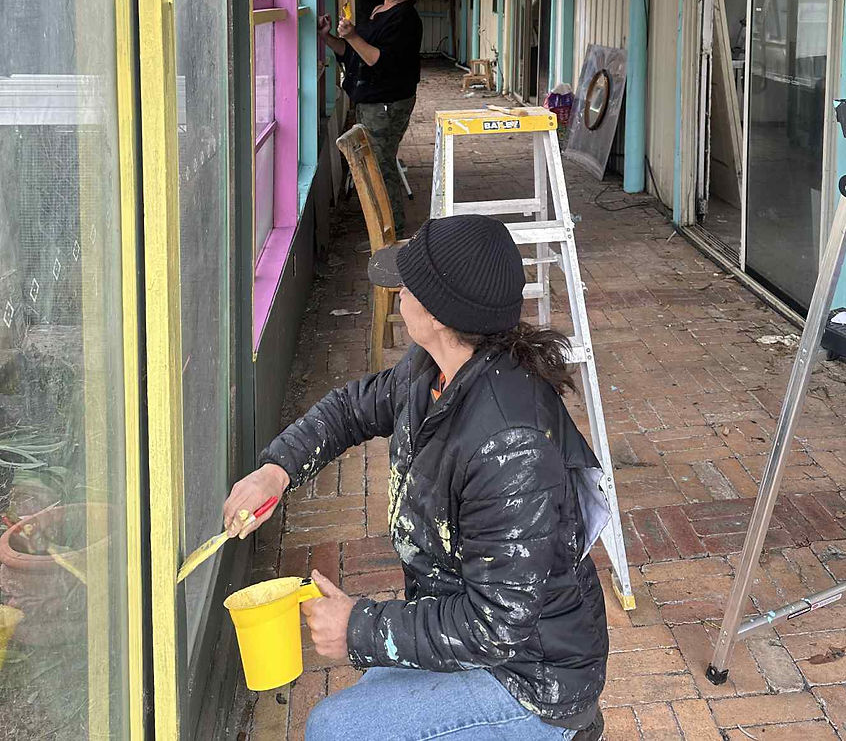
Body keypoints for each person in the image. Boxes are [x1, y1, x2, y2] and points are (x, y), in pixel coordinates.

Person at [223, 215, 609, 741]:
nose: (398, 292)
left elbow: (495, 626)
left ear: (437, 315)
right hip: (466, 626)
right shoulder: (434, 369)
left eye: (408, 285)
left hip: (531, 678)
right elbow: (352, 408)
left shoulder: (509, 447)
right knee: (365, 698)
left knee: (335, 729)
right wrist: (277, 469)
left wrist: (358, 627)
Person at [319, 0, 422, 237]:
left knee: (381, 167)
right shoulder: (378, 9)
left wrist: (352, 36)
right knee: (376, 164)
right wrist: (328, 37)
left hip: (387, 103)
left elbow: (378, 60)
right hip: (369, 100)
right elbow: (353, 54)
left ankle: (393, 236)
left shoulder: (406, 18)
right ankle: (384, 234)